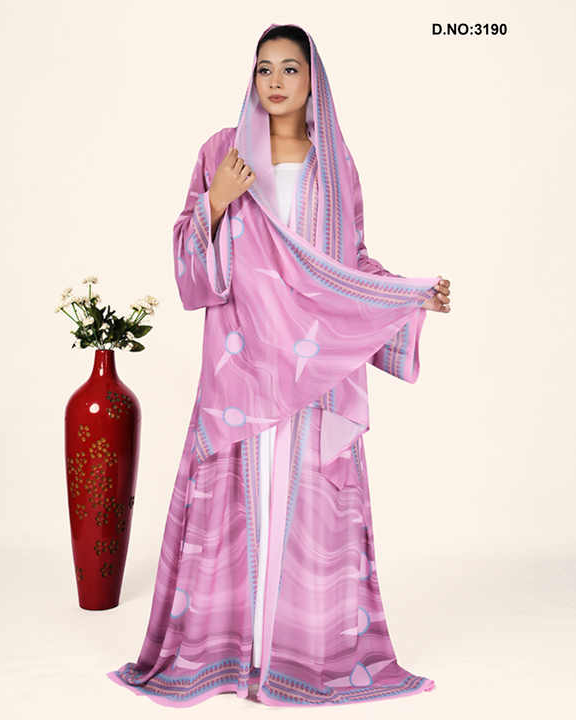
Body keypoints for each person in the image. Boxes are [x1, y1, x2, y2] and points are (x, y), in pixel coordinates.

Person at [107, 22, 451, 708]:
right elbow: (189, 262)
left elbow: (348, 265)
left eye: (290, 68)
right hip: (243, 363)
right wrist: (216, 199)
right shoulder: (223, 152)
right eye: (264, 68)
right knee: (239, 497)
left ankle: (297, 657)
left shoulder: (336, 167)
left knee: (304, 500)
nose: (275, 81)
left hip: (311, 367)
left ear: (312, 79)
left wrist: (410, 296)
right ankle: (225, 658)